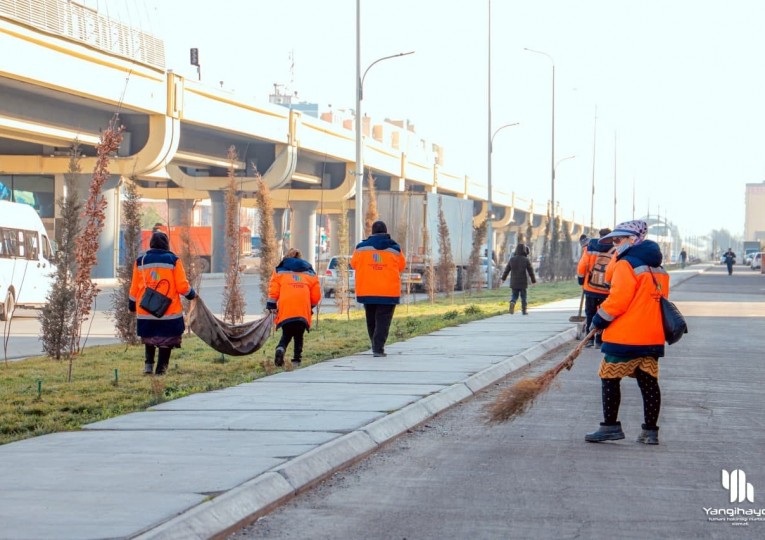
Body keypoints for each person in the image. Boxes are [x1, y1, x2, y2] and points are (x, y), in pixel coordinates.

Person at [585, 220, 668, 445]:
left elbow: (618, 301)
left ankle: (610, 427)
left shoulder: (626, 265)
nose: (615, 244)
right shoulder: (658, 268)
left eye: (619, 240)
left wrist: (598, 319)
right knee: (648, 382)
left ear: (633, 240)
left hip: (626, 334)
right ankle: (650, 432)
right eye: (613, 240)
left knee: (609, 377)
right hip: (651, 335)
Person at [129, 231, 196, 375]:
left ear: (151, 244)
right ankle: (160, 370)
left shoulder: (140, 261)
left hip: (145, 310)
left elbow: (135, 286)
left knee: (150, 338)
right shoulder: (173, 260)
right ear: (166, 244)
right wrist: (192, 295)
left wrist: (131, 305)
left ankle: (148, 366)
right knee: (167, 340)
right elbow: (182, 286)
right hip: (168, 312)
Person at [351, 221, 406, 357]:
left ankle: (375, 344)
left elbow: (354, 264)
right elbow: (401, 266)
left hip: (367, 290)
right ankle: (378, 347)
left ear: (372, 232)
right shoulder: (395, 249)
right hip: (388, 291)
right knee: (383, 321)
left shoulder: (361, 248)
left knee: (371, 319)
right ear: (386, 232)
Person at [266, 248, 321, 368]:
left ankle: (280, 348)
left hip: (286, 306)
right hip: (302, 306)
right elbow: (316, 294)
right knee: (298, 334)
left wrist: (271, 305)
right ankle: (296, 360)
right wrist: (311, 305)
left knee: (287, 332)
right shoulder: (309, 272)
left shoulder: (280, 271)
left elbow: (273, 290)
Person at [576, 228, 614, 347]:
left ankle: (589, 339)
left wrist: (581, 279)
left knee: (590, 313)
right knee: (603, 314)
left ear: (600, 235)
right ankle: (600, 340)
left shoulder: (591, 246)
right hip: (606, 289)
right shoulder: (615, 249)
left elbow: (582, 265)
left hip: (590, 287)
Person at [500, 243, 536, 315]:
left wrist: (503, 279)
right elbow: (530, 271)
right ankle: (524, 310)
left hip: (514, 282)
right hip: (523, 282)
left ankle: (512, 302)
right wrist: (533, 280)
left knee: (514, 295)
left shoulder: (512, 259)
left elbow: (507, 270)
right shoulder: (526, 260)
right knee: (523, 297)